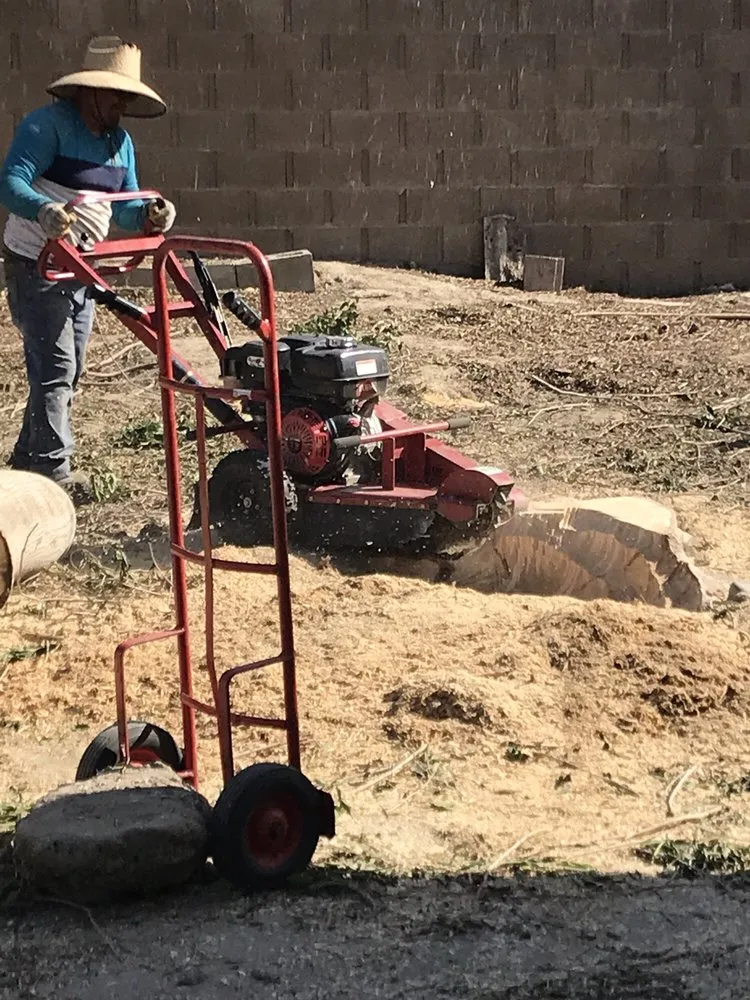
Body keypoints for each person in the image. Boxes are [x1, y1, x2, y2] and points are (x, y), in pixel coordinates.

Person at [0, 36, 176, 498]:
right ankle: (53, 470)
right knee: (56, 365)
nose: (121, 106)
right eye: (116, 95)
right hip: (36, 262)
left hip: (80, 267)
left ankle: (28, 457)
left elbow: (125, 208)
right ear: (90, 91)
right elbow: (10, 182)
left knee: (68, 366)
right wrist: (43, 210)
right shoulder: (46, 128)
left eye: (127, 98)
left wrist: (150, 215)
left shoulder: (120, 143)